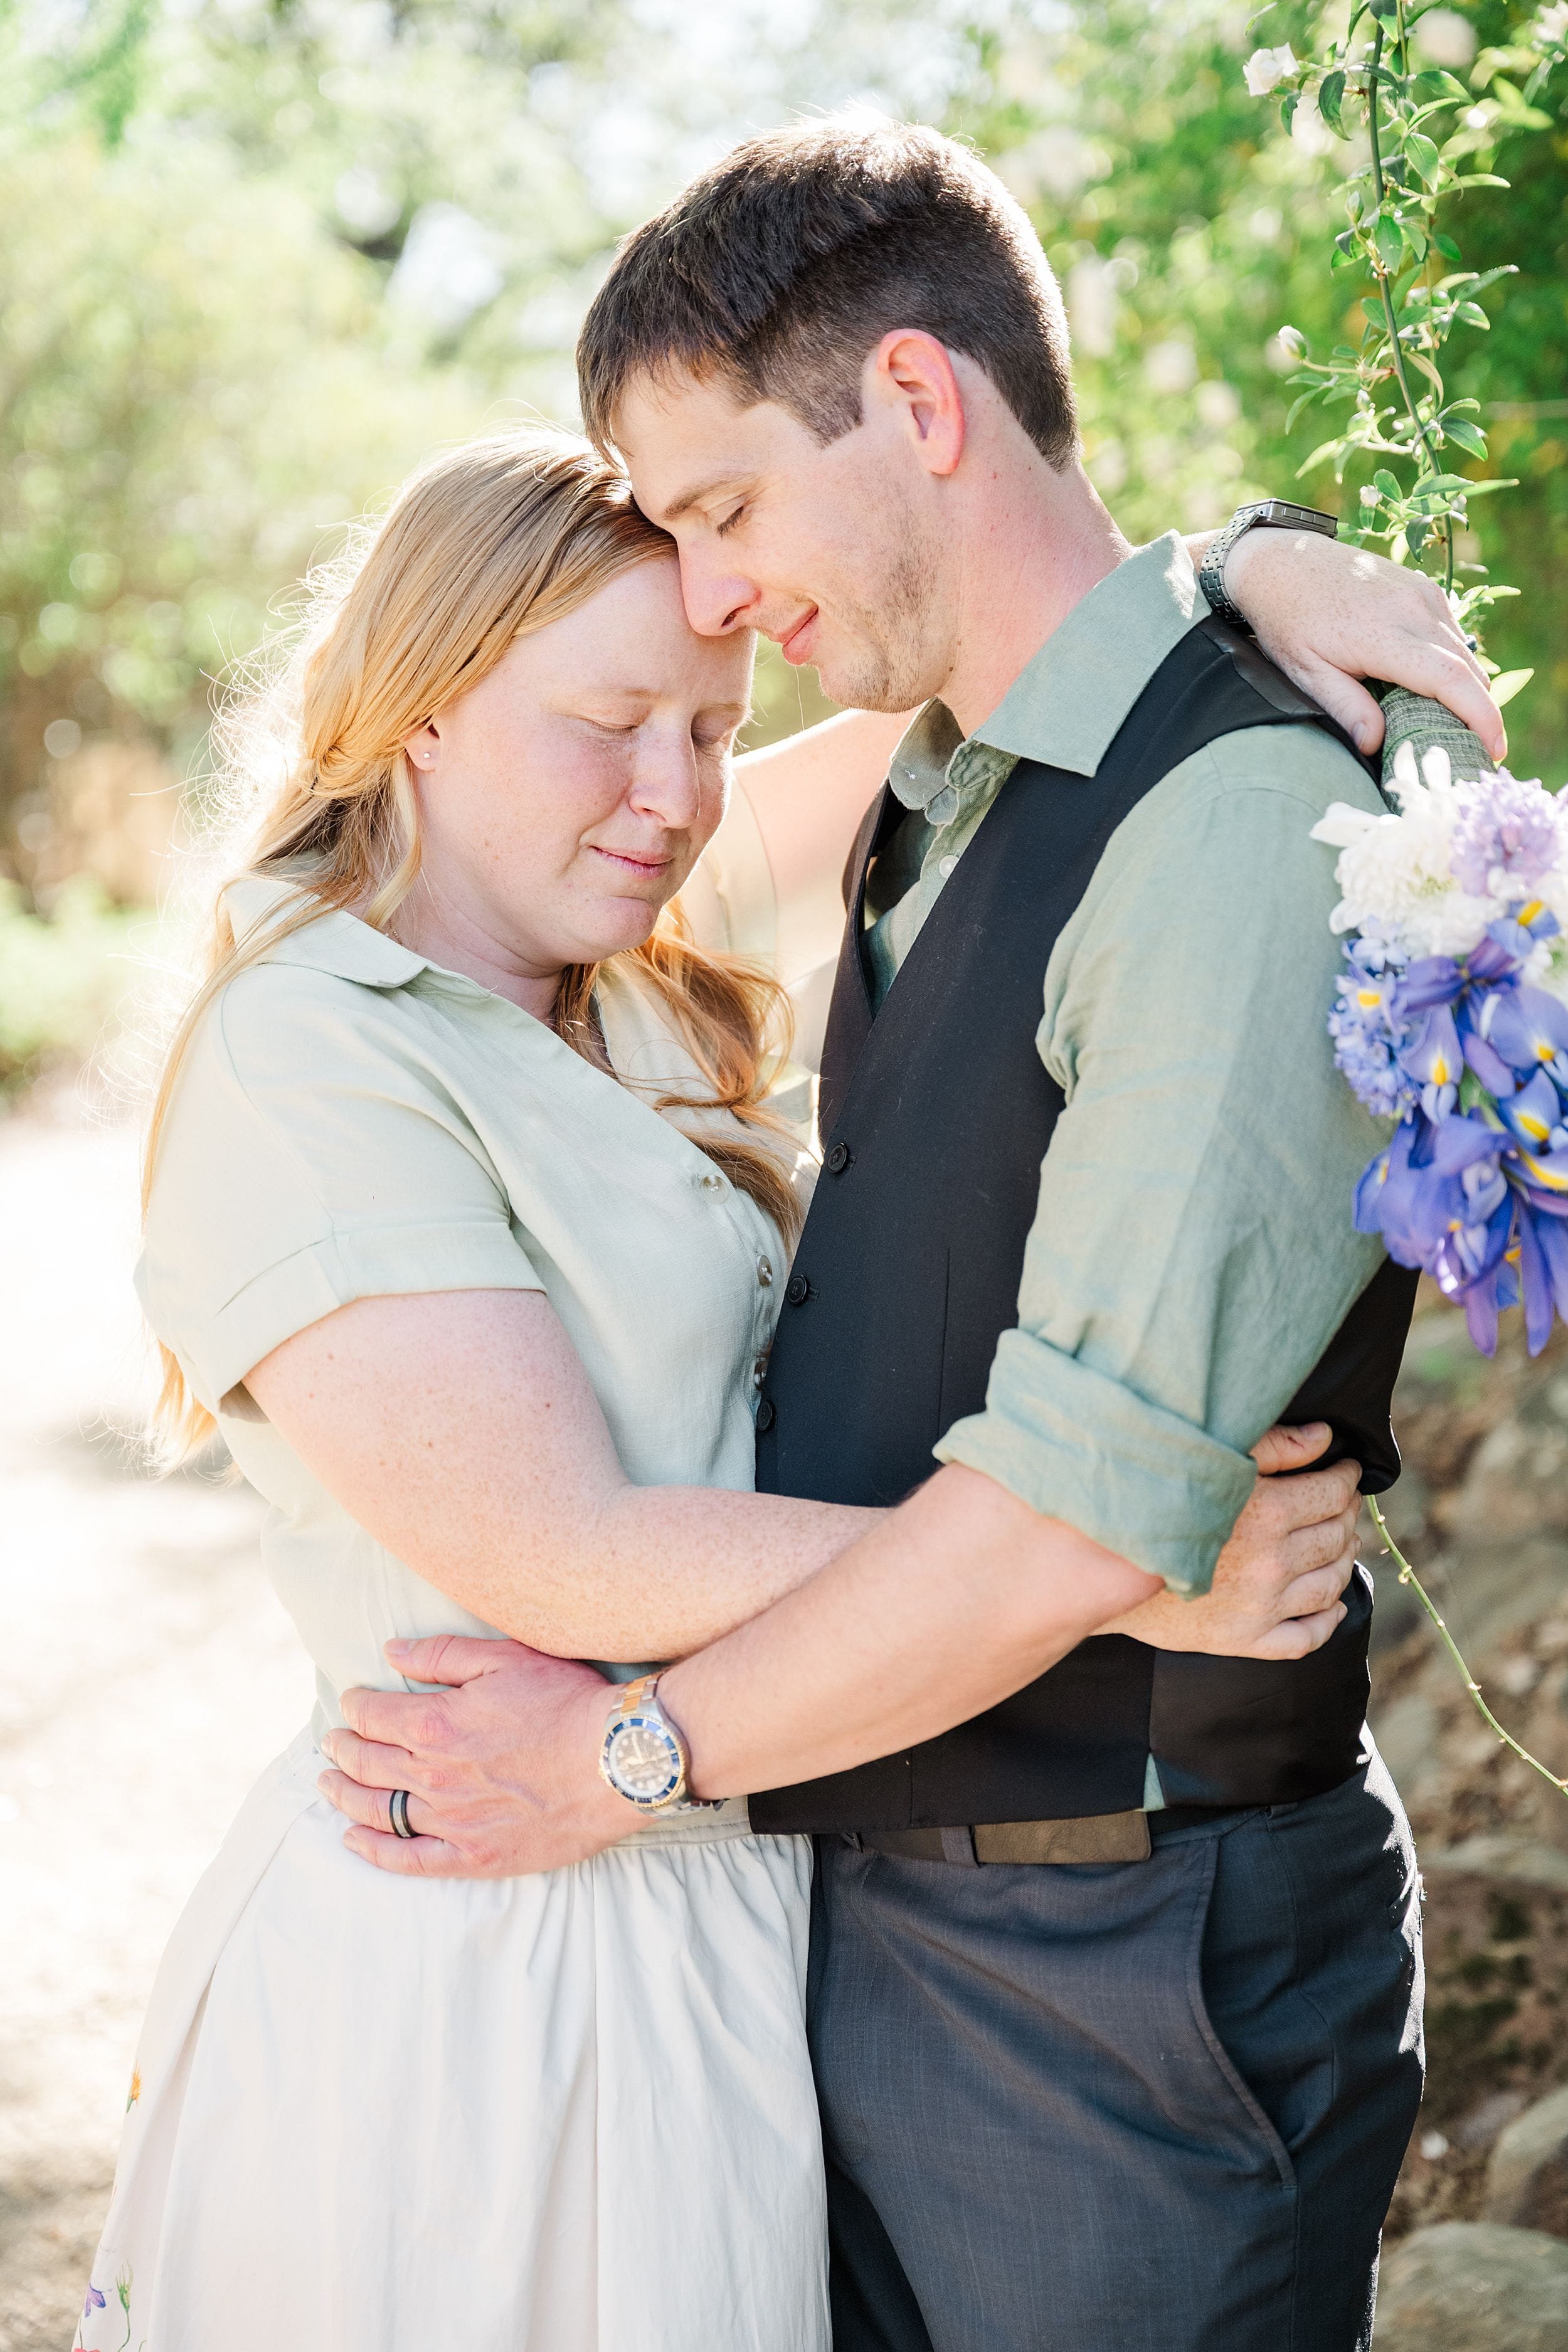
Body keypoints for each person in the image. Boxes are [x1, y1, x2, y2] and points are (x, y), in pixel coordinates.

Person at [320, 124, 1508, 2352]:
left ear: (920, 404)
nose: (703, 590)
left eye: (721, 506)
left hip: (1117, 1982)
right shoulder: (946, 789)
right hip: (877, 1922)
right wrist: (1241, 549)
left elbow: (1068, 1524)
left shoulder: (1231, 826)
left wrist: (612, 1766)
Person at [75, 428, 1377, 2352]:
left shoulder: (603, 950)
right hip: (491, 1944)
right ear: (417, 710)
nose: (673, 795)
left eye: (710, 725)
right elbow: (570, 1558)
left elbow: (1033, 680)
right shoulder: (316, 1048)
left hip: (725, 1894)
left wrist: (1242, 568)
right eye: (612, 722)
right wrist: (1108, 1571)